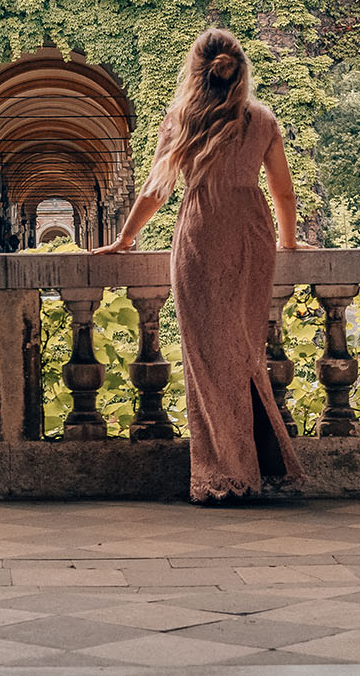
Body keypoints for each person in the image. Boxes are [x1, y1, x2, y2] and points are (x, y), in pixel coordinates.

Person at [96, 26, 304, 504]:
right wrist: (290, 242)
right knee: (245, 353)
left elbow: (154, 192)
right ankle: (257, 465)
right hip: (253, 238)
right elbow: (284, 191)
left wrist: (126, 238)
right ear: (240, 71)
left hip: (200, 236)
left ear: (195, 71)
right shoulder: (262, 120)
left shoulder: (182, 119)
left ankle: (223, 473)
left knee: (207, 361)